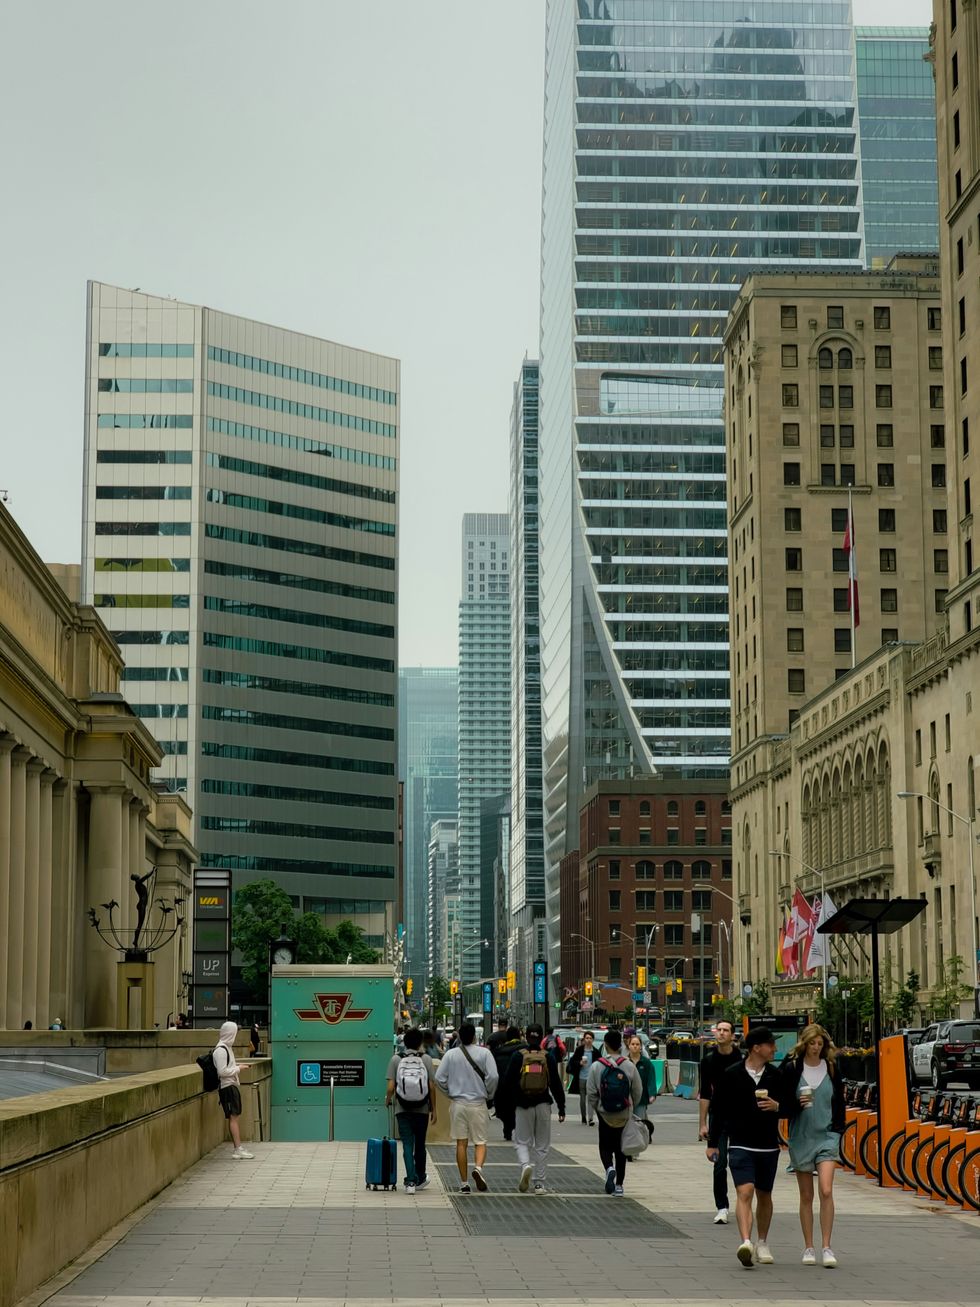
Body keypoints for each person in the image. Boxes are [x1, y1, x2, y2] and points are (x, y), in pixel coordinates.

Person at [706, 1026, 784, 1267]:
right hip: (739, 1143)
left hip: (768, 1145)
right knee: (745, 1192)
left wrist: (778, 1107)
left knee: (764, 1194)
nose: (775, 1048)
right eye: (771, 1044)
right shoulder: (732, 1074)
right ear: (756, 1048)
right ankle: (746, 1242)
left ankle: (762, 1241)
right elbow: (717, 1109)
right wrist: (712, 1143)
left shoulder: (775, 1075)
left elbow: (791, 1105)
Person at [780, 1022, 845, 1268]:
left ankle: (827, 1246)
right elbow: (784, 1102)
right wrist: (797, 1103)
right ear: (804, 1044)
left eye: (820, 1044)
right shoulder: (793, 1068)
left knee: (826, 1190)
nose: (816, 1048)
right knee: (806, 1195)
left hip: (827, 1135)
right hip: (801, 1136)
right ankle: (809, 1246)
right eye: (812, 1043)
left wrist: (839, 1129)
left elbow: (839, 1100)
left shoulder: (831, 1068)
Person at [434, 1020, 499, 1193]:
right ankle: (478, 1168)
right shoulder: (484, 1053)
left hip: (458, 1103)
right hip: (478, 1102)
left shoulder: (451, 1055)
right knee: (480, 1141)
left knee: (461, 1143)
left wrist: (449, 1093)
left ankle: (464, 1183)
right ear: (475, 1037)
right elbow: (493, 1076)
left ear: (460, 1037)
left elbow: (439, 1078)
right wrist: (489, 1093)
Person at [503, 1022, 566, 1193]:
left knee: (522, 1141)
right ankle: (539, 1183)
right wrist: (561, 1107)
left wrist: (511, 1103)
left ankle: (525, 1165)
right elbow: (556, 1084)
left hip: (523, 1105)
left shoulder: (518, 1056)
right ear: (541, 1037)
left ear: (526, 1036)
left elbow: (507, 1082)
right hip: (544, 1104)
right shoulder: (548, 1057)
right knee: (542, 1144)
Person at [586, 1028, 642, 1196]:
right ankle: (619, 1186)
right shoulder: (629, 1066)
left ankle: (609, 1168)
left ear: (605, 1045)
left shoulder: (597, 1066)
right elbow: (637, 1091)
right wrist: (630, 1106)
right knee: (621, 1150)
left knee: (605, 1145)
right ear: (621, 1044)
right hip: (624, 1114)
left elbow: (591, 1093)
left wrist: (598, 1108)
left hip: (605, 1114)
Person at [698, 1018, 743, 1223]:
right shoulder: (708, 1060)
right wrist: (702, 1123)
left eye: (726, 1030)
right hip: (717, 1116)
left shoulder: (741, 1058)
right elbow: (705, 1092)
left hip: (740, 1116)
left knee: (740, 1161)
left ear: (732, 1035)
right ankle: (722, 1206)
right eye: (719, 1030)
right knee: (719, 1162)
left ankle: (744, 1201)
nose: (722, 1033)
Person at [385, 1027, 437, 1195]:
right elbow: (431, 1087)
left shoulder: (395, 1059)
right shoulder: (427, 1059)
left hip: (402, 1109)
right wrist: (433, 1109)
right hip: (422, 1109)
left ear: (404, 1042)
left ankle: (410, 1181)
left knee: (407, 1144)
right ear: (420, 1043)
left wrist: (387, 1100)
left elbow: (391, 1087)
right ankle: (420, 1176)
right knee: (420, 1144)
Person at [214, 1021, 253, 1159]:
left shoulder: (225, 1048)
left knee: (234, 1117)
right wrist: (239, 1068)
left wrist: (237, 1067)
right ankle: (237, 1148)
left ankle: (238, 1147)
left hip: (231, 1086)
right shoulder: (221, 1050)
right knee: (233, 1117)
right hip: (227, 1087)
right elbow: (222, 1071)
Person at [490, 1024, 526, 1140]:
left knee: (505, 1110)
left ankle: (507, 1129)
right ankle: (515, 1127)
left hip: (502, 1088)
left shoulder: (498, 1052)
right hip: (520, 1087)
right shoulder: (525, 1051)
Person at [625, 1032, 658, 1147]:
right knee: (628, 1123)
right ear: (628, 1046)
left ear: (640, 1047)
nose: (635, 1046)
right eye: (632, 1044)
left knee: (639, 1122)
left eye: (637, 1044)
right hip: (626, 1099)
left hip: (641, 1098)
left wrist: (652, 1094)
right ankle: (629, 1145)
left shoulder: (646, 1063)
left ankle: (637, 1145)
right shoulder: (624, 1062)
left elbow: (651, 1079)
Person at [566, 1031, 597, 1123]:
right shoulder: (579, 1050)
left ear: (593, 1040)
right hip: (581, 1077)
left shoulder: (595, 1051)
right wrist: (579, 1063)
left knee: (591, 1098)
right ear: (584, 1039)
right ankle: (583, 1117)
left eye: (590, 1038)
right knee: (582, 1098)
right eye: (587, 1038)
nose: (588, 1040)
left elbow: (599, 1063)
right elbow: (573, 1062)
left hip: (591, 1078)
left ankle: (590, 1118)